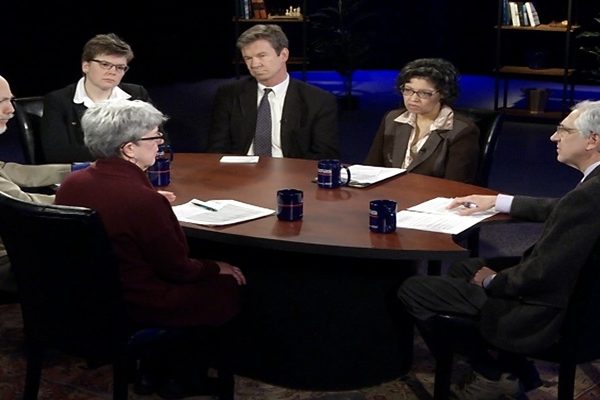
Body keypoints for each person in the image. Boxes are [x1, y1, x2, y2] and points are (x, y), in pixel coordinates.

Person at [397, 100, 600, 399]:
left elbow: (542, 273)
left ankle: (491, 372)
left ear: (592, 140)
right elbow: (561, 208)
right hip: (582, 297)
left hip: (548, 309)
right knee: (465, 267)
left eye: (563, 130)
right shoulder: (593, 189)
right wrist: (498, 201)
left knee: (414, 289)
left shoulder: (587, 197)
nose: (553, 137)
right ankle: (509, 365)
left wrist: (492, 282)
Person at [55, 98, 246, 397]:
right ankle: (183, 377)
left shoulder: (72, 184)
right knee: (225, 285)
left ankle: (152, 370)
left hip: (85, 297)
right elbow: (179, 270)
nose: (160, 144)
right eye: (155, 137)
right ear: (129, 148)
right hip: (137, 303)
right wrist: (216, 267)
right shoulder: (144, 201)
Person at [208, 24, 340, 160]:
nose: (254, 64)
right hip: (240, 170)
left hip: (291, 170)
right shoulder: (229, 94)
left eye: (262, 56)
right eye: (248, 58)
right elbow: (217, 149)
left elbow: (325, 155)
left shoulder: (319, 101)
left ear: (283, 55)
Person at [0, 75, 71, 296]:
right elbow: (22, 205)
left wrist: (80, 169)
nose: (11, 110)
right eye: (1, 101)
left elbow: (10, 171)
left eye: (10, 100)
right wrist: (96, 198)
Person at [41, 33, 153, 163]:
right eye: (105, 64)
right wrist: (123, 153)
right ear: (86, 66)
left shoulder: (137, 94)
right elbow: (57, 154)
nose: (112, 71)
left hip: (134, 169)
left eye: (120, 67)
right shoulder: (58, 101)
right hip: (84, 172)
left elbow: (159, 139)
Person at [364, 58, 479, 183]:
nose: (413, 98)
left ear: (443, 94)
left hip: (434, 194)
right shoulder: (392, 119)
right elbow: (371, 168)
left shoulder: (461, 131)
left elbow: (456, 185)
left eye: (424, 93)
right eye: (408, 90)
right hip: (389, 192)